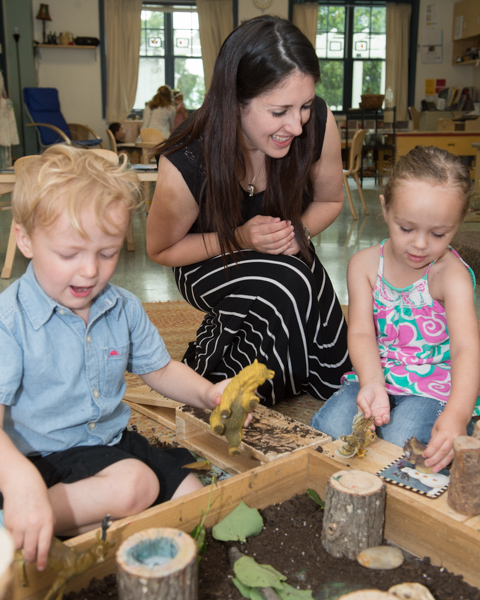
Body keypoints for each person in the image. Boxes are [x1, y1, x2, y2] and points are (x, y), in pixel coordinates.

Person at [0, 145, 231, 571]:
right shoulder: (9, 321)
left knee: (198, 501)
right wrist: (20, 485)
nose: (90, 271)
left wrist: (208, 393)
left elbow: (159, 370)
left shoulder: (121, 306)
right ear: (26, 239)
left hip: (108, 442)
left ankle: (80, 520)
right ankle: (17, 522)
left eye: (106, 254)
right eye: (70, 254)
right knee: (135, 486)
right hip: (40, 459)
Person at [146, 15, 351, 406]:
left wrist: (298, 232)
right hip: (203, 257)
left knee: (303, 279)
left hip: (277, 250)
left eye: (305, 106)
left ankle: (333, 385)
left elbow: (329, 201)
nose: (296, 125)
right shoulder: (188, 157)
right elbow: (161, 250)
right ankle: (213, 368)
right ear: (235, 103)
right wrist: (238, 238)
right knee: (288, 282)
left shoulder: (318, 125)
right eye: (279, 112)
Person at [310, 145, 480, 473]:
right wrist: (372, 382)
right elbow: (360, 332)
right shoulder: (364, 265)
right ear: (385, 209)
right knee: (330, 431)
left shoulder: (452, 276)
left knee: (406, 449)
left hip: (435, 387)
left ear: (458, 224)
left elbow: (466, 349)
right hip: (377, 374)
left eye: (439, 234)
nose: (419, 244)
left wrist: (456, 416)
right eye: (406, 228)